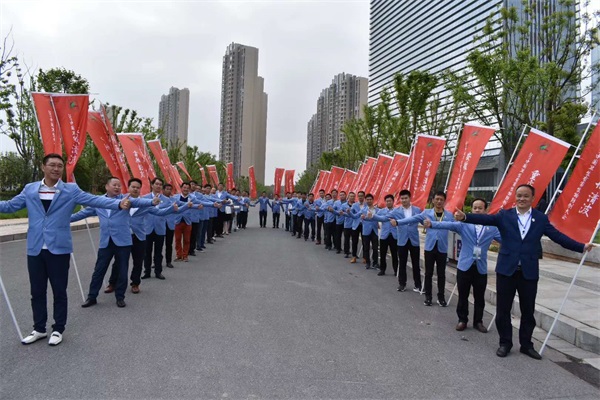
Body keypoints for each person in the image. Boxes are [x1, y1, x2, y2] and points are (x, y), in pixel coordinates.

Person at [0, 154, 131, 346]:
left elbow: (95, 200)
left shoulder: (71, 190)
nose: (56, 168)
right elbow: (10, 206)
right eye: (52, 165)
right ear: (43, 167)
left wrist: (117, 203)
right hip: (35, 248)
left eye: (59, 166)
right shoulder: (30, 189)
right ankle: (39, 329)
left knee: (59, 290)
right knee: (37, 291)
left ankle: (58, 329)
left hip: (59, 248)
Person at [454, 184, 594, 360]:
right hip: (506, 270)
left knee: (528, 310)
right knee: (503, 309)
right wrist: (465, 216)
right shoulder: (505, 215)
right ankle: (505, 343)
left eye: (525, 196)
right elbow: (486, 219)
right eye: (519, 195)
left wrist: (581, 247)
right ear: (515, 197)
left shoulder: (540, 219)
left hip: (528, 271)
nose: (521, 199)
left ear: (532, 198)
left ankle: (526, 345)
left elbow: (557, 237)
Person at [70, 177, 158, 309]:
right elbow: (83, 213)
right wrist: (64, 219)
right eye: (114, 185)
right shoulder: (98, 201)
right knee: (99, 270)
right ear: (106, 186)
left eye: (119, 185)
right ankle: (92, 297)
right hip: (106, 242)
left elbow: (139, 201)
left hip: (123, 242)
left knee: (122, 270)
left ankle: (120, 297)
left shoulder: (126, 199)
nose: (117, 187)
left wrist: (152, 202)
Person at [424, 198, 501, 333]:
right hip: (464, 266)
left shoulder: (492, 228)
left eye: (480, 208)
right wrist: (432, 224)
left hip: (480, 267)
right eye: (475, 208)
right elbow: (447, 225)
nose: (477, 210)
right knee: (463, 295)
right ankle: (462, 320)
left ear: (486, 210)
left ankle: (478, 321)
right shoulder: (464, 224)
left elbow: (505, 239)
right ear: (471, 210)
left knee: (479, 297)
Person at [106, 178, 178, 293]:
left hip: (139, 235)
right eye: (133, 187)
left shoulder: (144, 202)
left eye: (138, 188)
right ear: (128, 187)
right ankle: (112, 283)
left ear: (140, 189)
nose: (135, 189)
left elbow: (159, 212)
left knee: (138, 261)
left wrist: (171, 209)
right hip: (123, 236)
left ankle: (135, 283)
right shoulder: (120, 200)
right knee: (118, 261)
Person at [394, 191, 453, 306]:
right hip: (430, 247)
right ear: (433, 200)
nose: (439, 201)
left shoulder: (449, 215)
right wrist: (397, 222)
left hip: (442, 248)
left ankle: (441, 297)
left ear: (444, 201)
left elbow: (456, 226)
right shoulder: (426, 213)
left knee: (441, 274)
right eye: (437, 199)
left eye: (441, 199)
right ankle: (428, 297)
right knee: (428, 273)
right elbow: (412, 219)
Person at [142, 178, 172, 281]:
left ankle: (158, 272)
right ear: (152, 185)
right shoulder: (145, 198)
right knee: (147, 252)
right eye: (156, 184)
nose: (158, 186)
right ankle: (147, 271)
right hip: (148, 228)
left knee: (158, 252)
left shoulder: (167, 200)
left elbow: (168, 212)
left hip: (160, 228)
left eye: (160, 184)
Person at [392, 190, 422, 292]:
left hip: (414, 240)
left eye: (406, 198)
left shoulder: (417, 210)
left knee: (416, 264)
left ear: (410, 198)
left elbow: (424, 221)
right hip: (402, 240)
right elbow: (384, 218)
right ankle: (402, 284)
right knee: (402, 263)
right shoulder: (396, 211)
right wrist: (372, 217)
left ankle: (418, 285)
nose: (404, 200)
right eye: (402, 198)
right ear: (400, 199)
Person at [368, 194, 398, 276]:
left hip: (394, 235)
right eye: (387, 201)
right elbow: (377, 216)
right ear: (385, 202)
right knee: (382, 253)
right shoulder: (382, 211)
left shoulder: (397, 211)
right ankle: (382, 269)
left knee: (394, 254)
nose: (388, 202)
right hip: (384, 235)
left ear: (393, 201)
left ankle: (396, 270)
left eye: (390, 201)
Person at [356, 193, 379, 269]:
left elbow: (382, 217)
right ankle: (368, 262)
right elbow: (355, 216)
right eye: (367, 200)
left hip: (374, 231)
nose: (369, 201)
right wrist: (348, 213)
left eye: (370, 199)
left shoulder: (377, 209)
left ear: (373, 200)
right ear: (366, 200)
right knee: (366, 247)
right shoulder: (363, 210)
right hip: (366, 231)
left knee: (375, 248)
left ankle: (375, 262)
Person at [348, 191, 366, 263]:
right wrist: (349, 212)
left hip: (364, 225)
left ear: (364, 196)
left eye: (362, 196)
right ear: (357, 197)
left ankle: (365, 257)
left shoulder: (367, 204)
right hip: (356, 225)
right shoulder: (354, 205)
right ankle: (354, 256)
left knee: (365, 242)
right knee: (354, 241)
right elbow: (352, 214)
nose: (360, 197)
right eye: (359, 196)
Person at [162, 183, 177, 268]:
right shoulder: (158, 198)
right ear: (163, 190)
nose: (168, 191)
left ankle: (168, 261)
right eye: (167, 189)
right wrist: (170, 206)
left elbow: (182, 204)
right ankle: (155, 262)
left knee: (169, 244)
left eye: (170, 189)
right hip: (160, 223)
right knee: (158, 244)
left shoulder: (174, 199)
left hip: (170, 224)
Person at [341, 192, 356, 258]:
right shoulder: (344, 205)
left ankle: (354, 253)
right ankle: (346, 252)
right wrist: (344, 213)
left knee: (354, 240)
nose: (352, 197)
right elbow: (341, 212)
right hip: (347, 224)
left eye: (353, 196)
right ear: (348, 197)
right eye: (351, 196)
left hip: (354, 225)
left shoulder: (356, 205)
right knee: (346, 239)